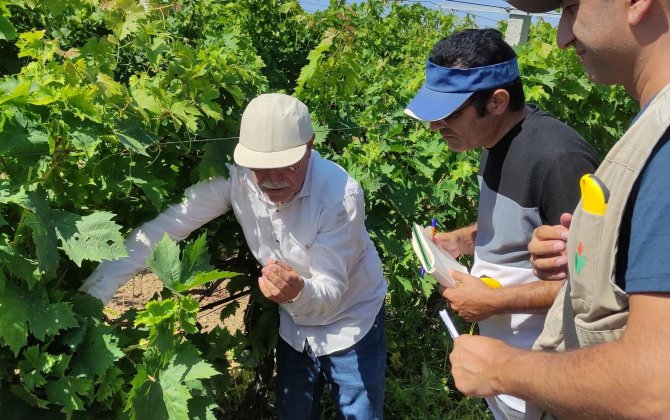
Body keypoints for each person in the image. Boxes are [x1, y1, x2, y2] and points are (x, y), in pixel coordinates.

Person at [80, 93, 388, 420]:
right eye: (260, 167)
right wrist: (91, 296)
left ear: (310, 145)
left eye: (286, 165)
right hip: (295, 325)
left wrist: (297, 292)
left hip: (351, 317)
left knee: (361, 413)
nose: (270, 179)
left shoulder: (340, 196)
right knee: (293, 413)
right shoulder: (238, 177)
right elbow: (161, 231)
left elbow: (330, 290)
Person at [448, 1, 670, 418]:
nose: (562, 37)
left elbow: (657, 387)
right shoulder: (649, 132)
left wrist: (501, 368)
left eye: (571, 7)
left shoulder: (656, 145)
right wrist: (581, 258)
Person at [404, 29, 600, 420]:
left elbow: (591, 283)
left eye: (448, 116)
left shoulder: (558, 159)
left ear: (496, 102)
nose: (434, 128)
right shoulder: (493, 142)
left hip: (545, 378)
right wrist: (458, 240)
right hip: (507, 371)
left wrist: (493, 302)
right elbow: (519, 226)